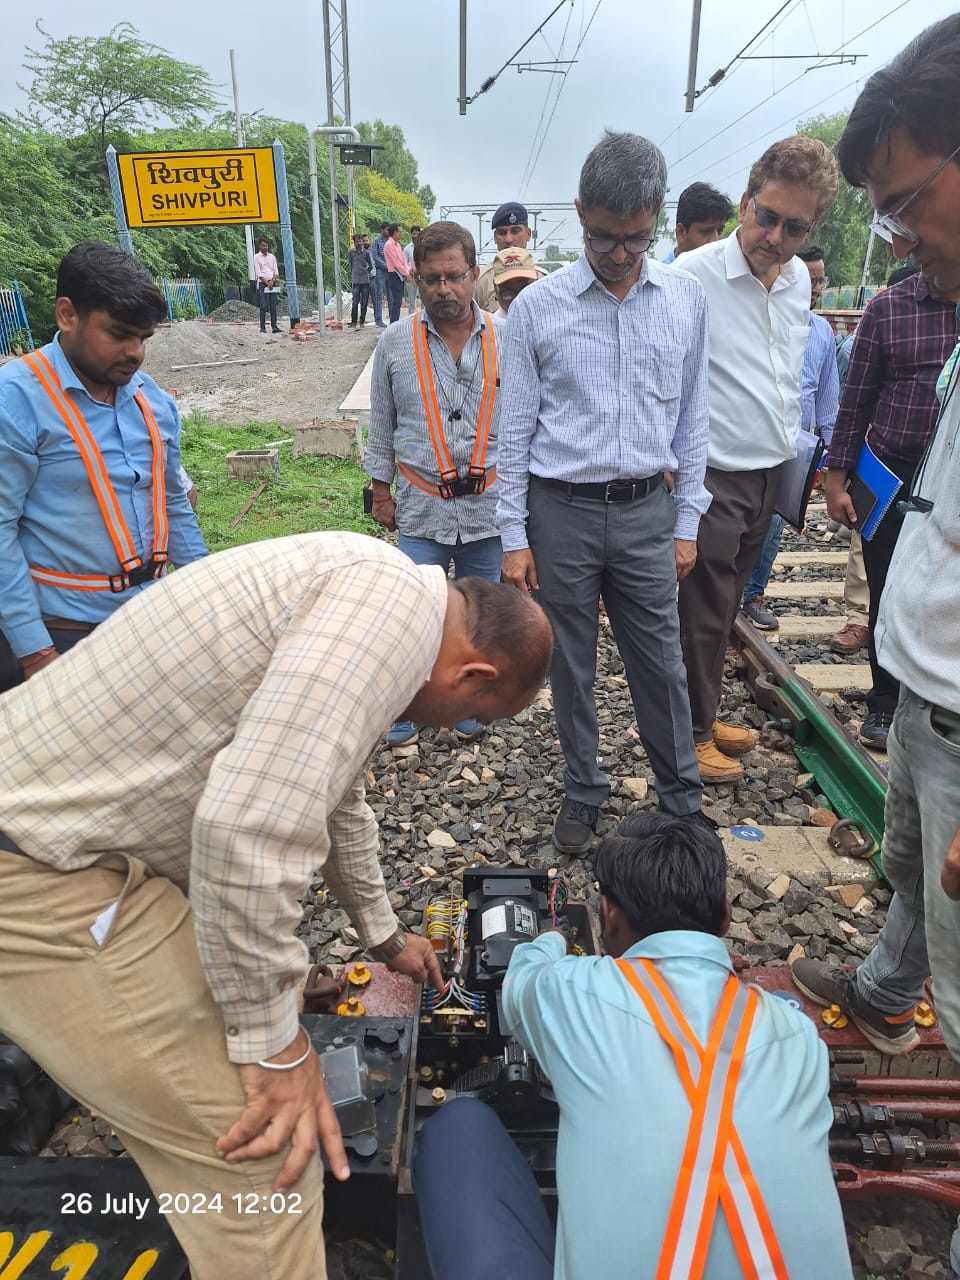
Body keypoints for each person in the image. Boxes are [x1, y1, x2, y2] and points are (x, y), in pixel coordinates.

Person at [0, 530, 553, 1280]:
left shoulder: (381, 584)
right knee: (266, 1160)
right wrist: (274, 1047)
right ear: (473, 671)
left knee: (258, 1006)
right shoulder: (384, 618)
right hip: (42, 875)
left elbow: (339, 802)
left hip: (72, 846)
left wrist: (386, 940)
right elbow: (245, 831)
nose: (452, 729)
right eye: (473, 715)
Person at [413, 813, 852, 1280]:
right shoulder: (798, 1037)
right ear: (725, 916)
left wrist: (551, 940)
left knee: (456, 1128)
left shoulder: (570, 993)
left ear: (609, 915)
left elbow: (522, 979)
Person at [791, 12, 960, 1078]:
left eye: (905, 205)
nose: (897, 240)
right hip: (931, 691)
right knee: (912, 871)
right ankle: (886, 994)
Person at [497, 131, 711, 855]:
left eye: (636, 238)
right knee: (571, 663)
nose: (619, 253)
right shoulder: (537, 309)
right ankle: (584, 790)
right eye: (602, 237)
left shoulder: (685, 302)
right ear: (580, 212)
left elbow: (693, 422)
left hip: (648, 510)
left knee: (661, 661)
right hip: (561, 513)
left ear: (658, 215)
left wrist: (687, 522)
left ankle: (682, 801)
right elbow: (515, 428)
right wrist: (515, 536)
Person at [676, 137, 839, 782]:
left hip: (772, 468)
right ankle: (689, 734)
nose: (775, 236)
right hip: (717, 470)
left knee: (731, 603)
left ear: (811, 226)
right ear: (745, 201)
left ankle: (706, 713)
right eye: (766, 216)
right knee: (703, 606)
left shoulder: (798, 278)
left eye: (794, 226)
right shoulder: (694, 276)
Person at [0, 240, 207, 694]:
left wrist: (208, 601)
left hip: (151, 617)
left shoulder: (151, 399)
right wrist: (36, 653)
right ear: (67, 315)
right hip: (65, 632)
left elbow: (173, 502)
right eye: (118, 334)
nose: (135, 352)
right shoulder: (15, 399)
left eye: (144, 338)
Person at [365, 221, 504, 747]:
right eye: (430, 279)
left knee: (477, 613)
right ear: (415, 281)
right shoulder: (393, 343)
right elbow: (382, 424)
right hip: (421, 506)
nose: (443, 289)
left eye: (453, 277)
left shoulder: (507, 338)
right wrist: (380, 491)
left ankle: (465, 702)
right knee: (413, 615)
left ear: (473, 274)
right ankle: (406, 705)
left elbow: (521, 427)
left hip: (488, 509)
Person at [821, 257, 959, 750]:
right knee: (887, 591)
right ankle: (884, 705)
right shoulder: (889, 308)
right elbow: (855, 399)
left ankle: (939, 705)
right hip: (891, 477)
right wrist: (837, 483)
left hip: (953, 481)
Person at [741, 244, 840, 630]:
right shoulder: (759, 321)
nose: (814, 288)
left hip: (794, 448)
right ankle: (726, 590)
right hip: (747, 439)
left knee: (776, 522)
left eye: (819, 280)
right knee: (738, 520)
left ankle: (752, 594)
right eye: (808, 279)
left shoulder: (822, 335)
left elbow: (828, 402)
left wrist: (831, 458)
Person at [474, 202, 548, 311]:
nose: (508, 239)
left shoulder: (544, 280)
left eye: (515, 231)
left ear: (528, 234)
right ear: (495, 237)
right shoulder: (481, 282)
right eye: (502, 233)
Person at [661, 182, 733, 263]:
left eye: (720, 231)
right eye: (706, 232)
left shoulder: (725, 273)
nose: (716, 241)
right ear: (680, 232)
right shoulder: (656, 275)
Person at [490, 246, 539, 317]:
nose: (517, 300)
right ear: (496, 289)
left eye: (524, 290)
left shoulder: (548, 321)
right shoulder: (492, 327)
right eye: (508, 293)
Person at [384, 223, 410, 325]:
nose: (402, 234)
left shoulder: (397, 244)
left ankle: (395, 322)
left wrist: (406, 272)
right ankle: (393, 324)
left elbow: (403, 260)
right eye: (400, 232)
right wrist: (406, 273)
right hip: (394, 274)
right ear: (395, 232)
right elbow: (396, 263)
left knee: (398, 301)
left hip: (400, 275)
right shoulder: (389, 245)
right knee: (396, 301)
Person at [255, 236, 282, 333]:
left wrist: (272, 281)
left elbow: (276, 271)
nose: (265, 247)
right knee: (263, 305)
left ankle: (274, 326)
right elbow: (259, 273)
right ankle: (262, 327)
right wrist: (267, 283)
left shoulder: (272, 257)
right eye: (263, 245)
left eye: (266, 245)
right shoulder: (256, 257)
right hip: (263, 284)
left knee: (273, 306)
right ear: (259, 246)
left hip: (272, 283)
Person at [348, 232, 373, 329]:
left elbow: (370, 265)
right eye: (357, 241)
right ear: (354, 242)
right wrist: (354, 272)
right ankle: (353, 322)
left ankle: (362, 321)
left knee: (364, 302)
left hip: (365, 280)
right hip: (355, 280)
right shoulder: (351, 252)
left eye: (361, 241)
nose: (359, 243)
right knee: (355, 302)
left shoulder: (366, 253)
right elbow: (350, 264)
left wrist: (366, 272)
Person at [371, 221, 390, 328]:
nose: (388, 231)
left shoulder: (392, 241)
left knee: (391, 296)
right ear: (382, 230)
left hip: (391, 271)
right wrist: (386, 265)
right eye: (387, 229)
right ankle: (378, 319)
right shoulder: (377, 241)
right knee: (379, 295)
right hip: (380, 271)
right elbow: (375, 257)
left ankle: (393, 318)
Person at [404, 224, 422, 312]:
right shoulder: (407, 248)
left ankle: (423, 319)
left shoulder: (423, 248)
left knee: (424, 299)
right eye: (414, 234)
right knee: (411, 300)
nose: (416, 236)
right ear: (411, 234)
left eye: (418, 234)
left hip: (422, 276)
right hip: (411, 276)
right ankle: (411, 319)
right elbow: (404, 263)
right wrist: (409, 270)